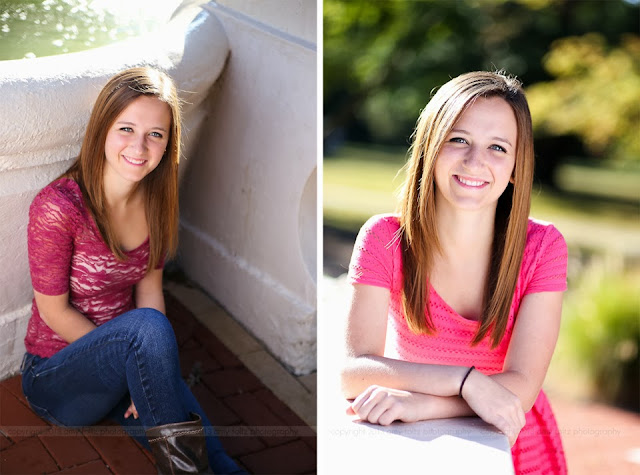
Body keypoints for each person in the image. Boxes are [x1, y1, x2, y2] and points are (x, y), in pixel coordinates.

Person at [341, 71, 568, 474]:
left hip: (514, 443)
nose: (475, 161)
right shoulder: (386, 239)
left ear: (517, 166)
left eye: (497, 147)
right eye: (458, 139)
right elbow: (354, 372)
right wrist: (466, 380)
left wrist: (425, 402)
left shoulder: (542, 249)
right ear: (431, 145)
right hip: (418, 446)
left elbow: (521, 389)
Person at [20, 67, 243, 474]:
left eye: (155, 134)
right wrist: (137, 368)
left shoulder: (157, 202)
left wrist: (152, 371)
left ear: (167, 144)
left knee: (217, 460)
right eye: (126, 128)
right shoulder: (58, 208)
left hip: (127, 359)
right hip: (57, 378)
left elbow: (150, 291)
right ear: (102, 128)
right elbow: (53, 312)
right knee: (147, 332)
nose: (139, 146)